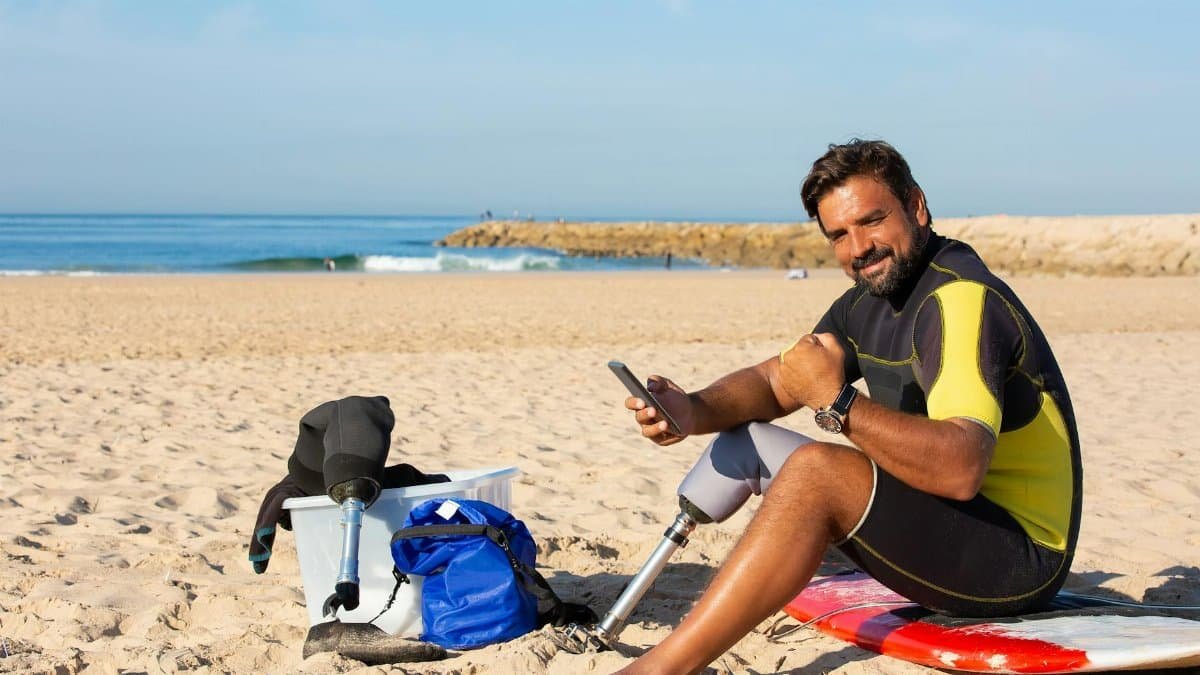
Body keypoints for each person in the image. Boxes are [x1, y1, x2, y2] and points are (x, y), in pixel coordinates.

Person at [616, 139, 1082, 674]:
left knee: (818, 473)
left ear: (916, 207)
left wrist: (838, 402)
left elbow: (960, 469)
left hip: (1018, 556)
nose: (859, 247)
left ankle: (658, 669)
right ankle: (622, 617)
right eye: (838, 235)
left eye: (871, 221)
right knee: (749, 441)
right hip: (947, 518)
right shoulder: (869, 298)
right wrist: (692, 411)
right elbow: (779, 380)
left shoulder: (959, 301)